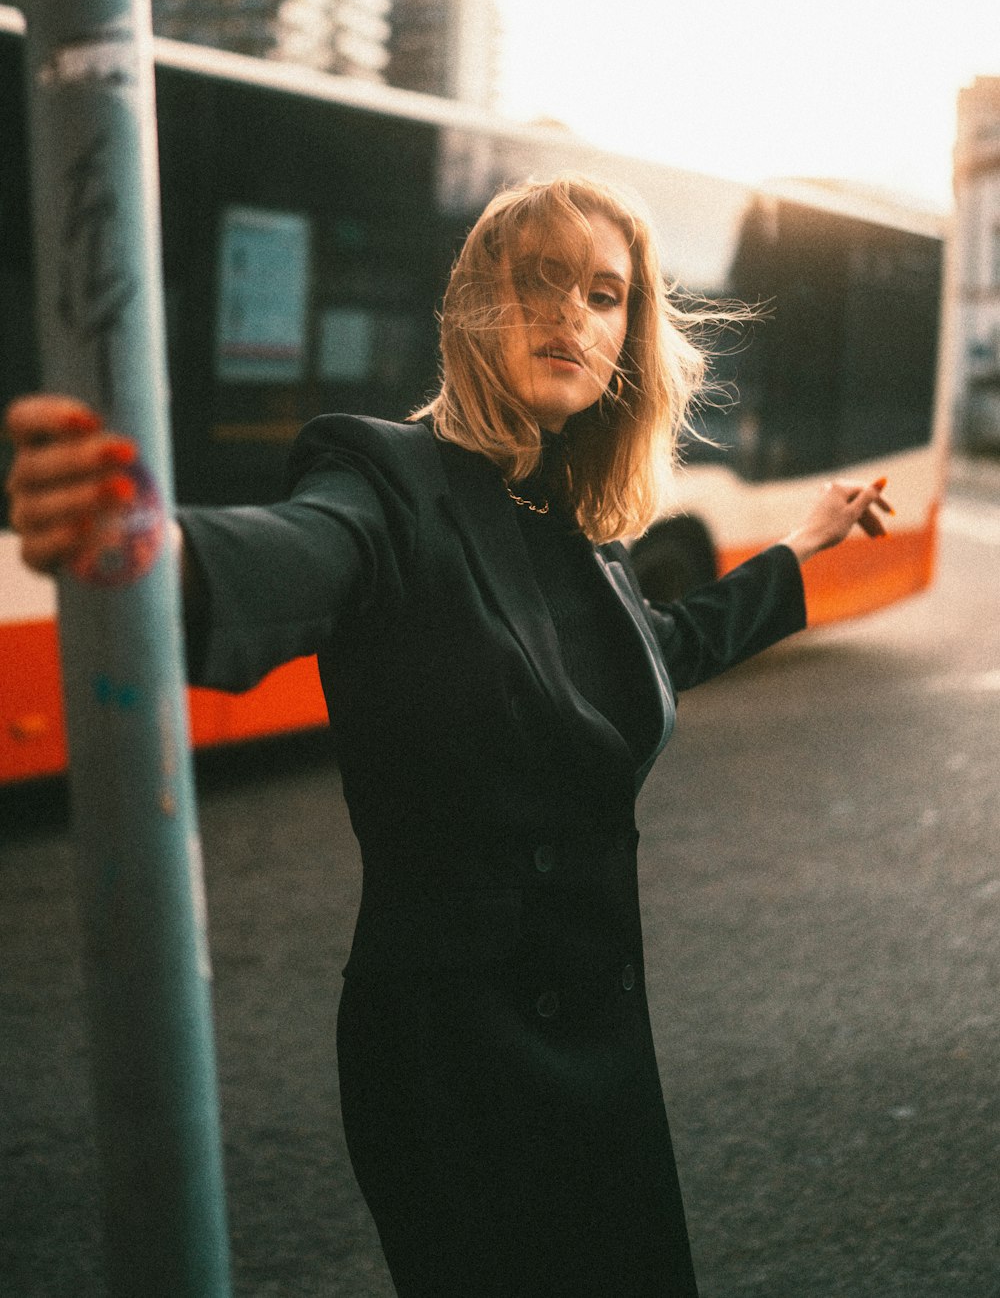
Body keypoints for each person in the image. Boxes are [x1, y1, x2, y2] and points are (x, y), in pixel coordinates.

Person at [5, 175, 891, 1297]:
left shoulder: (566, 520)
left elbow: (659, 650)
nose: (571, 311)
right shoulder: (387, 479)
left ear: (629, 336)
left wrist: (802, 545)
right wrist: (142, 547)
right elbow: (303, 548)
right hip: (458, 1061)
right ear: (477, 302)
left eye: (604, 293)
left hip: (602, 1050)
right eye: (539, 281)